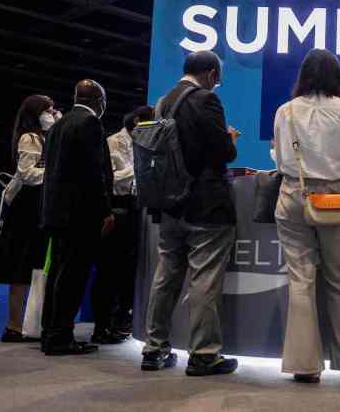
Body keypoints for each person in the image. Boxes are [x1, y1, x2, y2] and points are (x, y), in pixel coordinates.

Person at [141, 50, 240, 376]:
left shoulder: (162, 102)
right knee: (204, 280)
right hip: (206, 204)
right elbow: (222, 152)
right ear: (211, 74)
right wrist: (231, 139)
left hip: (170, 203)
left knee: (166, 276)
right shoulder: (206, 100)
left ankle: (154, 349)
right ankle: (203, 354)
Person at [273, 48, 340, 383]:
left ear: (303, 76)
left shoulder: (286, 111)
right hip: (331, 196)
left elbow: (280, 156)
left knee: (301, 279)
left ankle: (304, 365)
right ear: (336, 77)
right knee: (339, 281)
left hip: (292, 194)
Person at [41, 80, 114, 356]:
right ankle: (61, 338)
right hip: (79, 215)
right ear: (99, 100)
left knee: (58, 274)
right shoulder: (90, 124)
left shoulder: (58, 125)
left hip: (55, 212)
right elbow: (94, 174)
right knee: (72, 276)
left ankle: (51, 332)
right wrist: (105, 210)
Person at [0, 95, 59, 342]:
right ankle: (13, 325)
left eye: (53, 110)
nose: (52, 114)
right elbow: (28, 174)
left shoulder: (48, 137)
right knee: (20, 269)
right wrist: (55, 171)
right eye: (48, 110)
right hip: (26, 210)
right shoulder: (29, 138)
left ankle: (31, 323)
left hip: (40, 207)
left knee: (37, 268)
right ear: (35, 113)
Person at [98, 105, 154, 338]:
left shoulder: (143, 144)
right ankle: (102, 325)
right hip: (116, 206)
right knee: (109, 269)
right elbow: (110, 178)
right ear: (138, 121)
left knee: (129, 269)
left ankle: (122, 320)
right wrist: (139, 168)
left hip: (135, 207)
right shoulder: (113, 142)